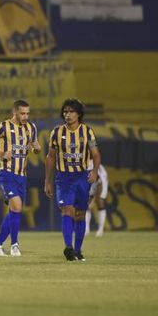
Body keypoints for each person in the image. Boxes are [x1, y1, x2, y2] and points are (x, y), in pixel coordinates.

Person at [0, 100, 41, 257]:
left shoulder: (31, 127)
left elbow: (34, 143)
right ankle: (14, 245)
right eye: (22, 113)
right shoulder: (3, 126)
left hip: (22, 176)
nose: (25, 116)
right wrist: (1, 154)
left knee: (16, 210)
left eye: (28, 113)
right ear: (15, 112)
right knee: (17, 206)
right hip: (6, 173)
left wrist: (37, 148)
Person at [44, 98, 101, 262]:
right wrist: (47, 181)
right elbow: (50, 157)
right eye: (65, 111)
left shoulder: (87, 132)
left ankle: (77, 250)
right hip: (64, 178)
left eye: (71, 112)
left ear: (79, 114)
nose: (67, 115)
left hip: (82, 177)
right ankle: (68, 248)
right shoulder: (56, 132)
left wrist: (95, 171)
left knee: (81, 214)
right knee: (67, 210)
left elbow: (96, 154)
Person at [85, 161, 108, 237]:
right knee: (85, 204)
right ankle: (86, 229)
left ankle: (100, 229)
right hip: (89, 183)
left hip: (101, 183)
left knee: (100, 201)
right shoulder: (83, 169)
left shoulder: (99, 175)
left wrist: (93, 202)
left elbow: (99, 189)